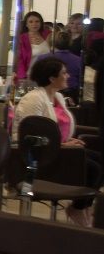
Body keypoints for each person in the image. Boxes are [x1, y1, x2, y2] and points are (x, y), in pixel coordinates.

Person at [12, 56, 101, 226]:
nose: (68, 76)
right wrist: (63, 144)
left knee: (100, 161)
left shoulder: (58, 97)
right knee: (94, 169)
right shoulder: (33, 99)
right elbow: (30, 136)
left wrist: (68, 139)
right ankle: (78, 207)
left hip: (61, 150)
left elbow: (57, 129)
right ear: (52, 78)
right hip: (42, 156)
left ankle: (82, 206)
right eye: (64, 73)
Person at [15, 10, 50, 83]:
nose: (34, 24)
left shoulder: (48, 34)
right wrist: (22, 78)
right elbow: (19, 60)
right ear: (26, 24)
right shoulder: (21, 39)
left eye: (37, 21)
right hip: (31, 75)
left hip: (48, 75)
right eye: (31, 22)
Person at [51, 31, 83, 103]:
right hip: (72, 94)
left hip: (50, 93)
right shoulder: (79, 60)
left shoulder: (42, 58)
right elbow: (80, 80)